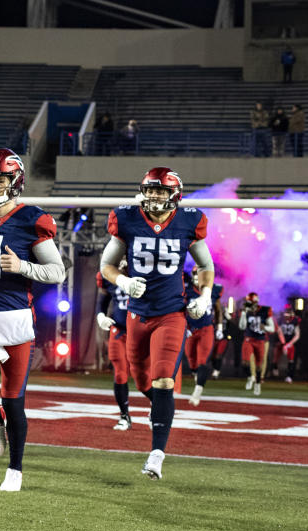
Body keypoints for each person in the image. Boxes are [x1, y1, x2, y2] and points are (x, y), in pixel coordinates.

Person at [100, 167, 215, 480]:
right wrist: (123, 281)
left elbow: (206, 265)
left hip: (171, 313)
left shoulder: (189, 221)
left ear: (173, 195)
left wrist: (204, 296)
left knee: (164, 379)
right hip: (137, 315)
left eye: (160, 191)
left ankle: (156, 454)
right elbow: (107, 265)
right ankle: (161, 411)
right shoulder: (127, 218)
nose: (153, 196)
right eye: (150, 190)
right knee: (143, 383)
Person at [0, 149, 65, 492]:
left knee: (13, 398)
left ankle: (15, 468)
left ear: (15, 181)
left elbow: (57, 271)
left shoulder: (32, 218)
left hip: (17, 319)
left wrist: (23, 267)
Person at [176, 265, 224, 406]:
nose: (198, 276)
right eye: (196, 273)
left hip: (206, 328)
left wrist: (219, 327)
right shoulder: (187, 290)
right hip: (190, 329)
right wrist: (182, 326)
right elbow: (179, 309)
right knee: (192, 361)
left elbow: (218, 309)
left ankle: (197, 391)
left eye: (201, 273)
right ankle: (198, 379)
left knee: (203, 360)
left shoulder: (214, 290)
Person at [96, 261, 131, 430]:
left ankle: (158, 408)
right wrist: (101, 316)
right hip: (119, 329)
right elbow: (102, 300)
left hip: (142, 329)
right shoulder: (109, 276)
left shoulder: (147, 271)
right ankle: (124, 416)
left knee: (145, 378)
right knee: (120, 373)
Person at [238, 292, 275, 395]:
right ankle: (250, 377)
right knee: (245, 363)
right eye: (248, 303)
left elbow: (272, 328)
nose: (249, 305)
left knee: (259, 366)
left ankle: (257, 384)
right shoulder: (247, 312)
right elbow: (241, 327)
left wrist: (265, 327)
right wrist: (244, 313)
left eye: (251, 303)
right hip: (249, 338)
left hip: (260, 340)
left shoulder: (265, 310)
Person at [271, 305, 301, 382]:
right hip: (280, 342)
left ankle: (289, 375)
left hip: (290, 342)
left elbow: (297, 335)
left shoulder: (295, 321)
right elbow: (279, 333)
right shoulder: (280, 320)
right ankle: (274, 369)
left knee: (291, 359)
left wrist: (289, 344)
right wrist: (284, 344)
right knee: (275, 357)